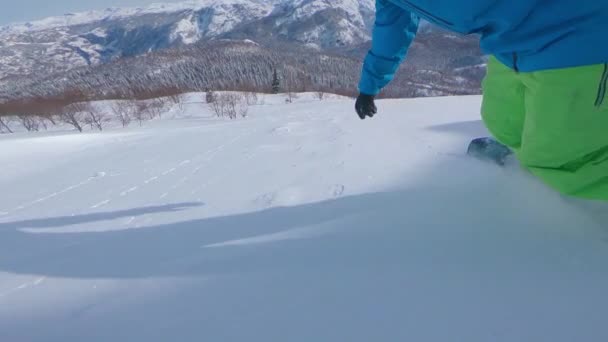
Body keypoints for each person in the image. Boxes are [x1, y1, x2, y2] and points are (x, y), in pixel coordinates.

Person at [355, 0, 608, 201]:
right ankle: (519, 158)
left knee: (565, 163)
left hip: (579, 37)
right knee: (502, 119)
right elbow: (391, 29)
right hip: (511, 43)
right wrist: (369, 85)